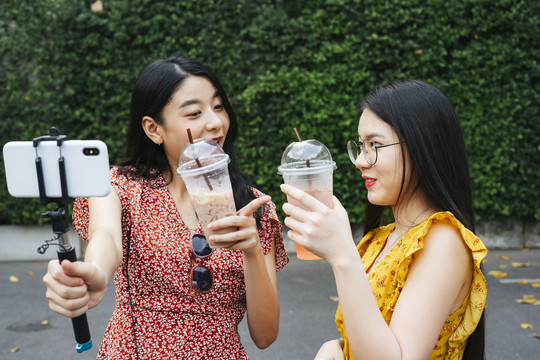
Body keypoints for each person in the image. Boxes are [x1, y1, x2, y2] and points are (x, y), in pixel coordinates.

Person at [43, 56, 289, 359]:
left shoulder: (254, 208)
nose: (215, 122)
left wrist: (251, 251)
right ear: (153, 129)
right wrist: (93, 272)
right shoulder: (119, 186)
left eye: (219, 106)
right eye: (194, 112)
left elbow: (265, 336)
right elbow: (105, 237)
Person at [281, 80, 487, 360]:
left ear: (421, 146)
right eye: (361, 146)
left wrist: (343, 255)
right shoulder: (382, 238)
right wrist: (337, 348)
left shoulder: (442, 239)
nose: (360, 161)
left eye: (374, 145)